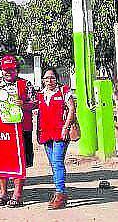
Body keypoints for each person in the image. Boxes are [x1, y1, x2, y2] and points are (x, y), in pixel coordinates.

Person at [0, 55, 37, 208]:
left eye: (11, 69)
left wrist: (24, 104)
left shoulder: (25, 84)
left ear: (16, 70)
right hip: (2, 129)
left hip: (22, 128)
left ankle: (17, 193)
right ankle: (3, 193)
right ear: (2, 70)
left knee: (20, 162)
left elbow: (35, 103)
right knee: (2, 161)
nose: (8, 72)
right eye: (5, 70)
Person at [36, 68, 76, 210]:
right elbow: (32, 107)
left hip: (60, 133)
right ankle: (59, 191)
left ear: (56, 79)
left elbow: (72, 109)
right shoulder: (40, 94)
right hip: (46, 134)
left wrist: (65, 128)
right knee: (54, 163)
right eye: (46, 78)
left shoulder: (64, 91)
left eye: (52, 78)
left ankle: (60, 193)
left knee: (58, 162)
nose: (49, 81)